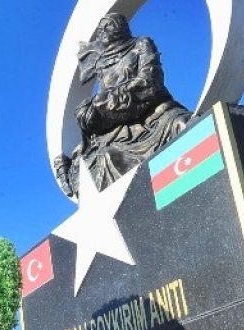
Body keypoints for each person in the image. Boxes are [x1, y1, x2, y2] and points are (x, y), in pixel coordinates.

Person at [52, 12, 191, 194]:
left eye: (108, 25)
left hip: (153, 113)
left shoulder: (141, 44)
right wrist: (97, 107)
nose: (103, 31)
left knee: (184, 124)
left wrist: (109, 100)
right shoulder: (101, 63)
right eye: (100, 28)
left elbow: (150, 81)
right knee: (105, 157)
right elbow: (105, 95)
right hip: (118, 127)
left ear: (121, 26)